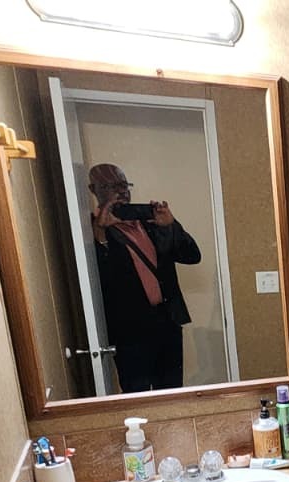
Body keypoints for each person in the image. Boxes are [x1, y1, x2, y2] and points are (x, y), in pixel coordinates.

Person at [87, 163, 203, 393]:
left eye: (123, 184)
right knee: (136, 394)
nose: (121, 191)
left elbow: (192, 256)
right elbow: (101, 280)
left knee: (171, 392)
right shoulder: (95, 229)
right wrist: (101, 235)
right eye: (111, 185)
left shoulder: (151, 224)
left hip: (166, 321)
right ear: (94, 189)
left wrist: (171, 226)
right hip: (129, 332)